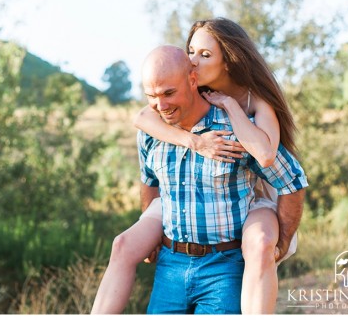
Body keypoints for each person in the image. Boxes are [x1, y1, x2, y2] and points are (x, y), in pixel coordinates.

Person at [92, 45, 307, 314]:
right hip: (171, 266)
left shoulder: (234, 128)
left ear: (193, 80)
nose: (161, 106)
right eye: (152, 96)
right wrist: (151, 229)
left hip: (224, 268)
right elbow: (149, 181)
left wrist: (283, 241)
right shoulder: (150, 132)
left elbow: (292, 181)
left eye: (169, 93)